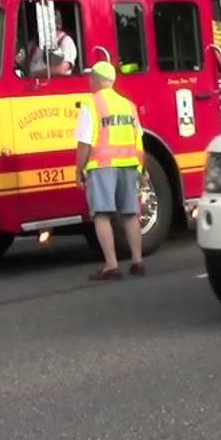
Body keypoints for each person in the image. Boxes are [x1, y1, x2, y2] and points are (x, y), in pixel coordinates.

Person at [75, 60, 145, 281]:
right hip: (129, 165)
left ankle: (112, 266)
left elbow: (85, 143)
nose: (89, 81)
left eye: (91, 77)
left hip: (102, 166)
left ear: (97, 79)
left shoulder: (91, 104)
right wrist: (142, 169)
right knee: (130, 214)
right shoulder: (128, 105)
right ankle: (137, 262)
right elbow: (139, 140)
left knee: (102, 215)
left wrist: (78, 169)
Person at [26, 11, 76, 77]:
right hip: (30, 82)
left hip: (54, 83)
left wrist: (34, 74)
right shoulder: (34, 43)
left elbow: (62, 69)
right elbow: (19, 61)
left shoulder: (66, 41)